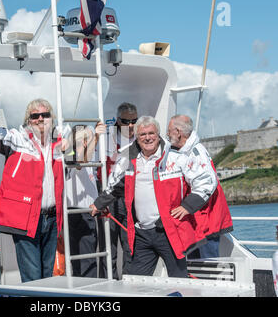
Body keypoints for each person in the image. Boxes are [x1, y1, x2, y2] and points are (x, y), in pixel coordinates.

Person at [90, 115, 225, 277]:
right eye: (143, 135)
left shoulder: (176, 156)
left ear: (158, 134)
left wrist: (187, 206)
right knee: (135, 282)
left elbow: (206, 181)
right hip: (141, 234)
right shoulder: (128, 159)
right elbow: (117, 185)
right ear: (137, 138)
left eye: (151, 133)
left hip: (169, 232)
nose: (147, 138)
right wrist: (98, 203)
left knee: (179, 280)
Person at [0, 83, 66, 283]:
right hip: (27, 219)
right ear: (28, 121)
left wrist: (82, 139)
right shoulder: (18, 139)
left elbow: (78, 159)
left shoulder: (59, 143)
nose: (40, 119)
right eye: (35, 116)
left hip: (52, 219)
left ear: (52, 118)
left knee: (49, 278)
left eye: (45, 115)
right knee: (33, 278)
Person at [167, 115, 233, 259]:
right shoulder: (182, 151)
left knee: (206, 266)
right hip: (196, 219)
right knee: (195, 264)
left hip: (205, 220)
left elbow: (207, 183)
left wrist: (187, 206)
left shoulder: (196, 153)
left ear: (178, 132)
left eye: (169, 130)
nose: (167, 134)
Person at [98, 102, 137, 279]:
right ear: (117, 120)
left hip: (131, 197)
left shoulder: (141, 138)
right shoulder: (106, 137)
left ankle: (129, 284)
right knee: (109, 245)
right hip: (110, 196)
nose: (130, 125)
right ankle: (110, 283)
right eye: (125, 121)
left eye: (134, 121)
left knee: (130, 245)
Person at [65, 122, 105, 277]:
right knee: (86, 261)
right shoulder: (71, 155)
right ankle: (87, 294)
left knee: (87, 258)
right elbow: (81, 161)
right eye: (86, 138)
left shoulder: (85, 153)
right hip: (78, 212)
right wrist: (96, 136)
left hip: (88, 211)